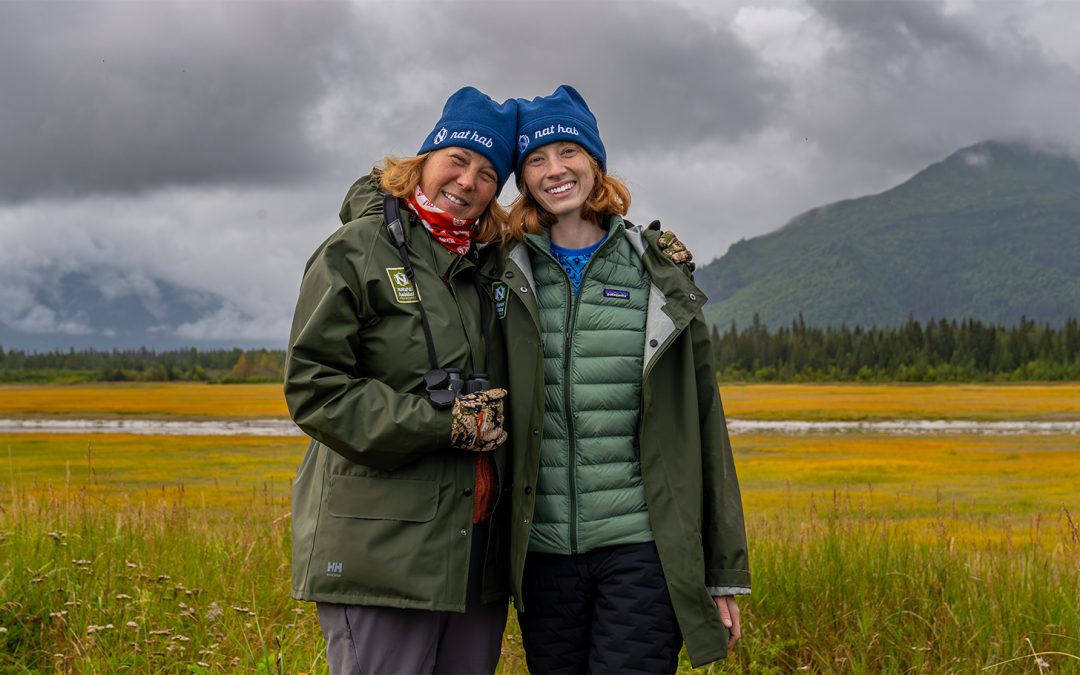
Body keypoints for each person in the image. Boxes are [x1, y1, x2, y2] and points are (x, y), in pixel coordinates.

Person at [497, 85, 751, 673]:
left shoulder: (655, 272)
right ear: (523, 178)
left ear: (595, 163)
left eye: (569, 152)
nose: (555, 170)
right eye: (537, 159)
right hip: (543, 556)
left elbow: (704, 425)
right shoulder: (505, 270)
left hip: (642, 549)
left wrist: (721, 574)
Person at [284, 86, 517, 675]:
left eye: (489, 174)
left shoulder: (487, 263)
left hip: (472, 549)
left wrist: (653, 258)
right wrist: (444, 422)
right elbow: (315, 388)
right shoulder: (357, 249)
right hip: (381, 550)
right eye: (458, 159)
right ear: (424, 160)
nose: (468, 181)